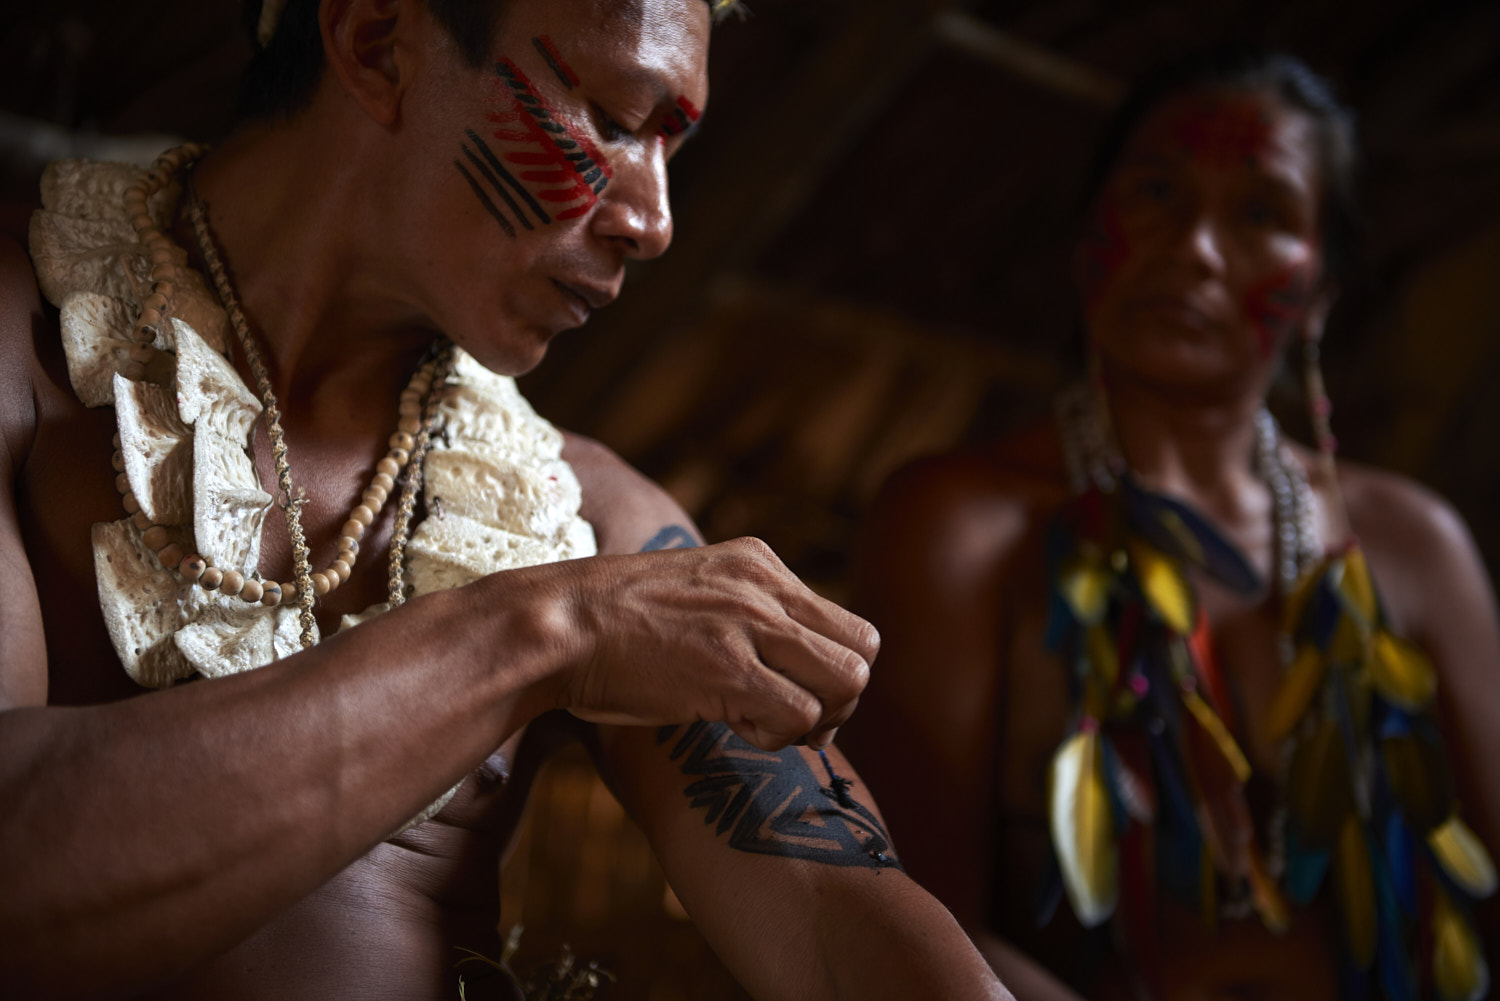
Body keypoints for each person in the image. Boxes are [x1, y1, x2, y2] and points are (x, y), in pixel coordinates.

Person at [0, 1, 1013, 998]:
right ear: (378, 43)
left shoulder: (585, 520)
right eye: (613, 120)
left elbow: (841, 922)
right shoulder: (29, 352)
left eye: (668, 145)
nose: (654, 221)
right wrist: (542, 630)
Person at [846, 46, 1500, 1001]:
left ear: (1320, 293)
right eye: (1156, 192)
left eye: (1261, 213)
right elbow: (903, 914)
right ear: (1088, 239)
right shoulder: (959, 528)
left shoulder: (1411, 546)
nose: (1193, 246)